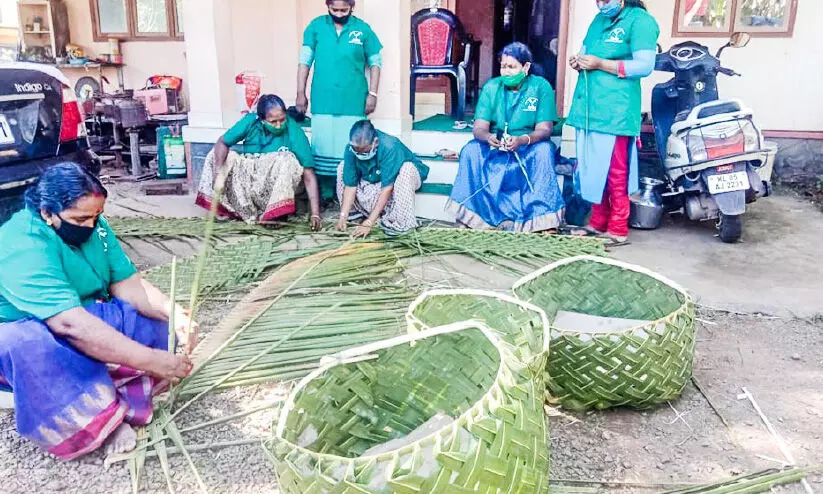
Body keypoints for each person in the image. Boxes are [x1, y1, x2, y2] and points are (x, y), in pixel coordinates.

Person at [0, 163, 196, 460]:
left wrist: (174, 313)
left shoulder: (94, 227)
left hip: (84, 314)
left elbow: (128, 285)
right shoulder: (22, 245)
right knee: (28, 345)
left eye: (97, 216)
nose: (91, 226)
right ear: (46, 213)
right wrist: (151, 359)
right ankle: (102, 419)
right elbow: (69, 324)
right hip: (35, 330)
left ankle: (116, 386)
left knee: (156, 326)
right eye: (81, 219)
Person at [566, 0, 659, 245]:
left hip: (616, 110)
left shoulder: (640, 21)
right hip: (589, 108)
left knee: (615, 171)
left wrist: (600, 64)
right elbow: (587, 53)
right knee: (592, 169)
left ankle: (618, 228)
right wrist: (579, 62)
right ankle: (597, 223)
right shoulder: (599, 21)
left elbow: (645, 66)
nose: (602, 3)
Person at [446, 42, 565, 233]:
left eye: (512, 67)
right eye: (503, 66)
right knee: (470, 150)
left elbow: (545, 129)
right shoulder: (492, 87)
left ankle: (542, 221)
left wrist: (522, 140)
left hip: (529, 145)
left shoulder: (540, 86)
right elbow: (479, 128)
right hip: (497, 146)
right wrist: (488, 137)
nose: (506, 72)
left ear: (525, 67)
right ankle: (471, 217)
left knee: (544, 150)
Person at [296, 0, 383, 201]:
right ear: (327, 6)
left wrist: (373, 93)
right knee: (323, 147)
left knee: (349, 147)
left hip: (353, 99)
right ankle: (325, 195)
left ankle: (347, 196)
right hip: (323, 98)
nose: (339, 13)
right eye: (334, 9)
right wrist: (300, 92)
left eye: (344, 10)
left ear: (352, 7)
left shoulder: (362, 29)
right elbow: (304, 62)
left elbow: (376, 63)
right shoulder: (316, 26)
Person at [197, 94, 322, 229]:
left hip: (276, 188)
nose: (279, 125)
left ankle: (276, 213)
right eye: (273, 122)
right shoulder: (251, 122)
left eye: (282, 120)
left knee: (287, 159)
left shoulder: (294, 130)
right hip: (250, 185)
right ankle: (236, 209)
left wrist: (315, 214)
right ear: (261, 119)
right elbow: (222, 142)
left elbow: (308, 173)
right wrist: (218, 173)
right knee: (216, 156)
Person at [335, 120, 429, 238]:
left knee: (407, 169)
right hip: (374, 181)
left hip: (397, 183)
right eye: (356, 151)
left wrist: (369, 222)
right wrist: (342, 216)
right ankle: (354, 216)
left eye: (364, 152)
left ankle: (401, 223)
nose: (360, 155)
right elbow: (350, 185)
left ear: (375, 142)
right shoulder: (351, 148)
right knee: (342, 167)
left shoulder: (390, 146)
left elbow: (387, 188)